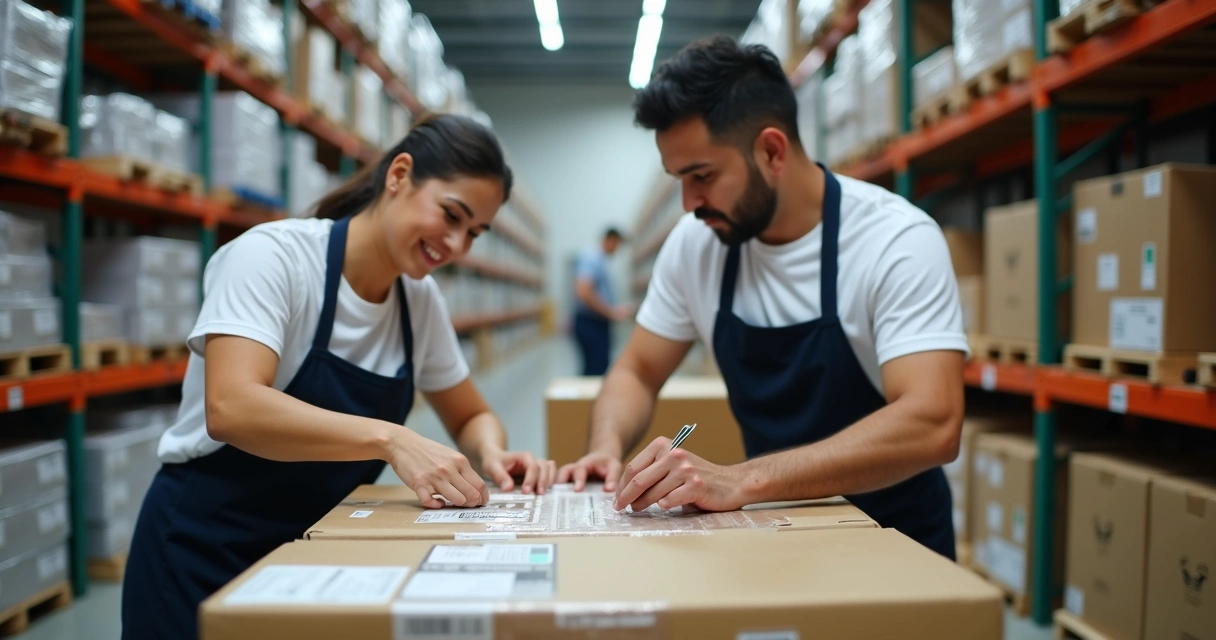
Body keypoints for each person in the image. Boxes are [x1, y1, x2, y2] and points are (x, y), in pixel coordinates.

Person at [122, 115, 558, 640]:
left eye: (474, 233)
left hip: (313, 555)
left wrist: (492, 453)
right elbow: (232, 407)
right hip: (204, 549)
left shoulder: (417, 302)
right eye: (451, 215)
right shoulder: (274, 257)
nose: (458, 245)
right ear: (399, 175)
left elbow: (471, 414)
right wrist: (391, 440)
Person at [557, 36, 967, 559]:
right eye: (678, 180)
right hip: (774, 537)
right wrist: (605, 445)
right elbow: (637, 370)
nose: (689, 204)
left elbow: (932, 421)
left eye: (702, 176)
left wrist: (743, 480)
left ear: (772, 151)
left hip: (895, 543)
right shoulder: (697, 245)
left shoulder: (894, 240)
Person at [571, 227, 632, 375]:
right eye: (618, 245)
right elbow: (583, 291)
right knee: (595, 372)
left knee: (597, 368)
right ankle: (590, 399)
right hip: (591, 323)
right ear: (611, 240)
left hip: (596, 323)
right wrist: (611, 312)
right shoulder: (593, 257)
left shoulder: (599, 260)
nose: (617, 250)